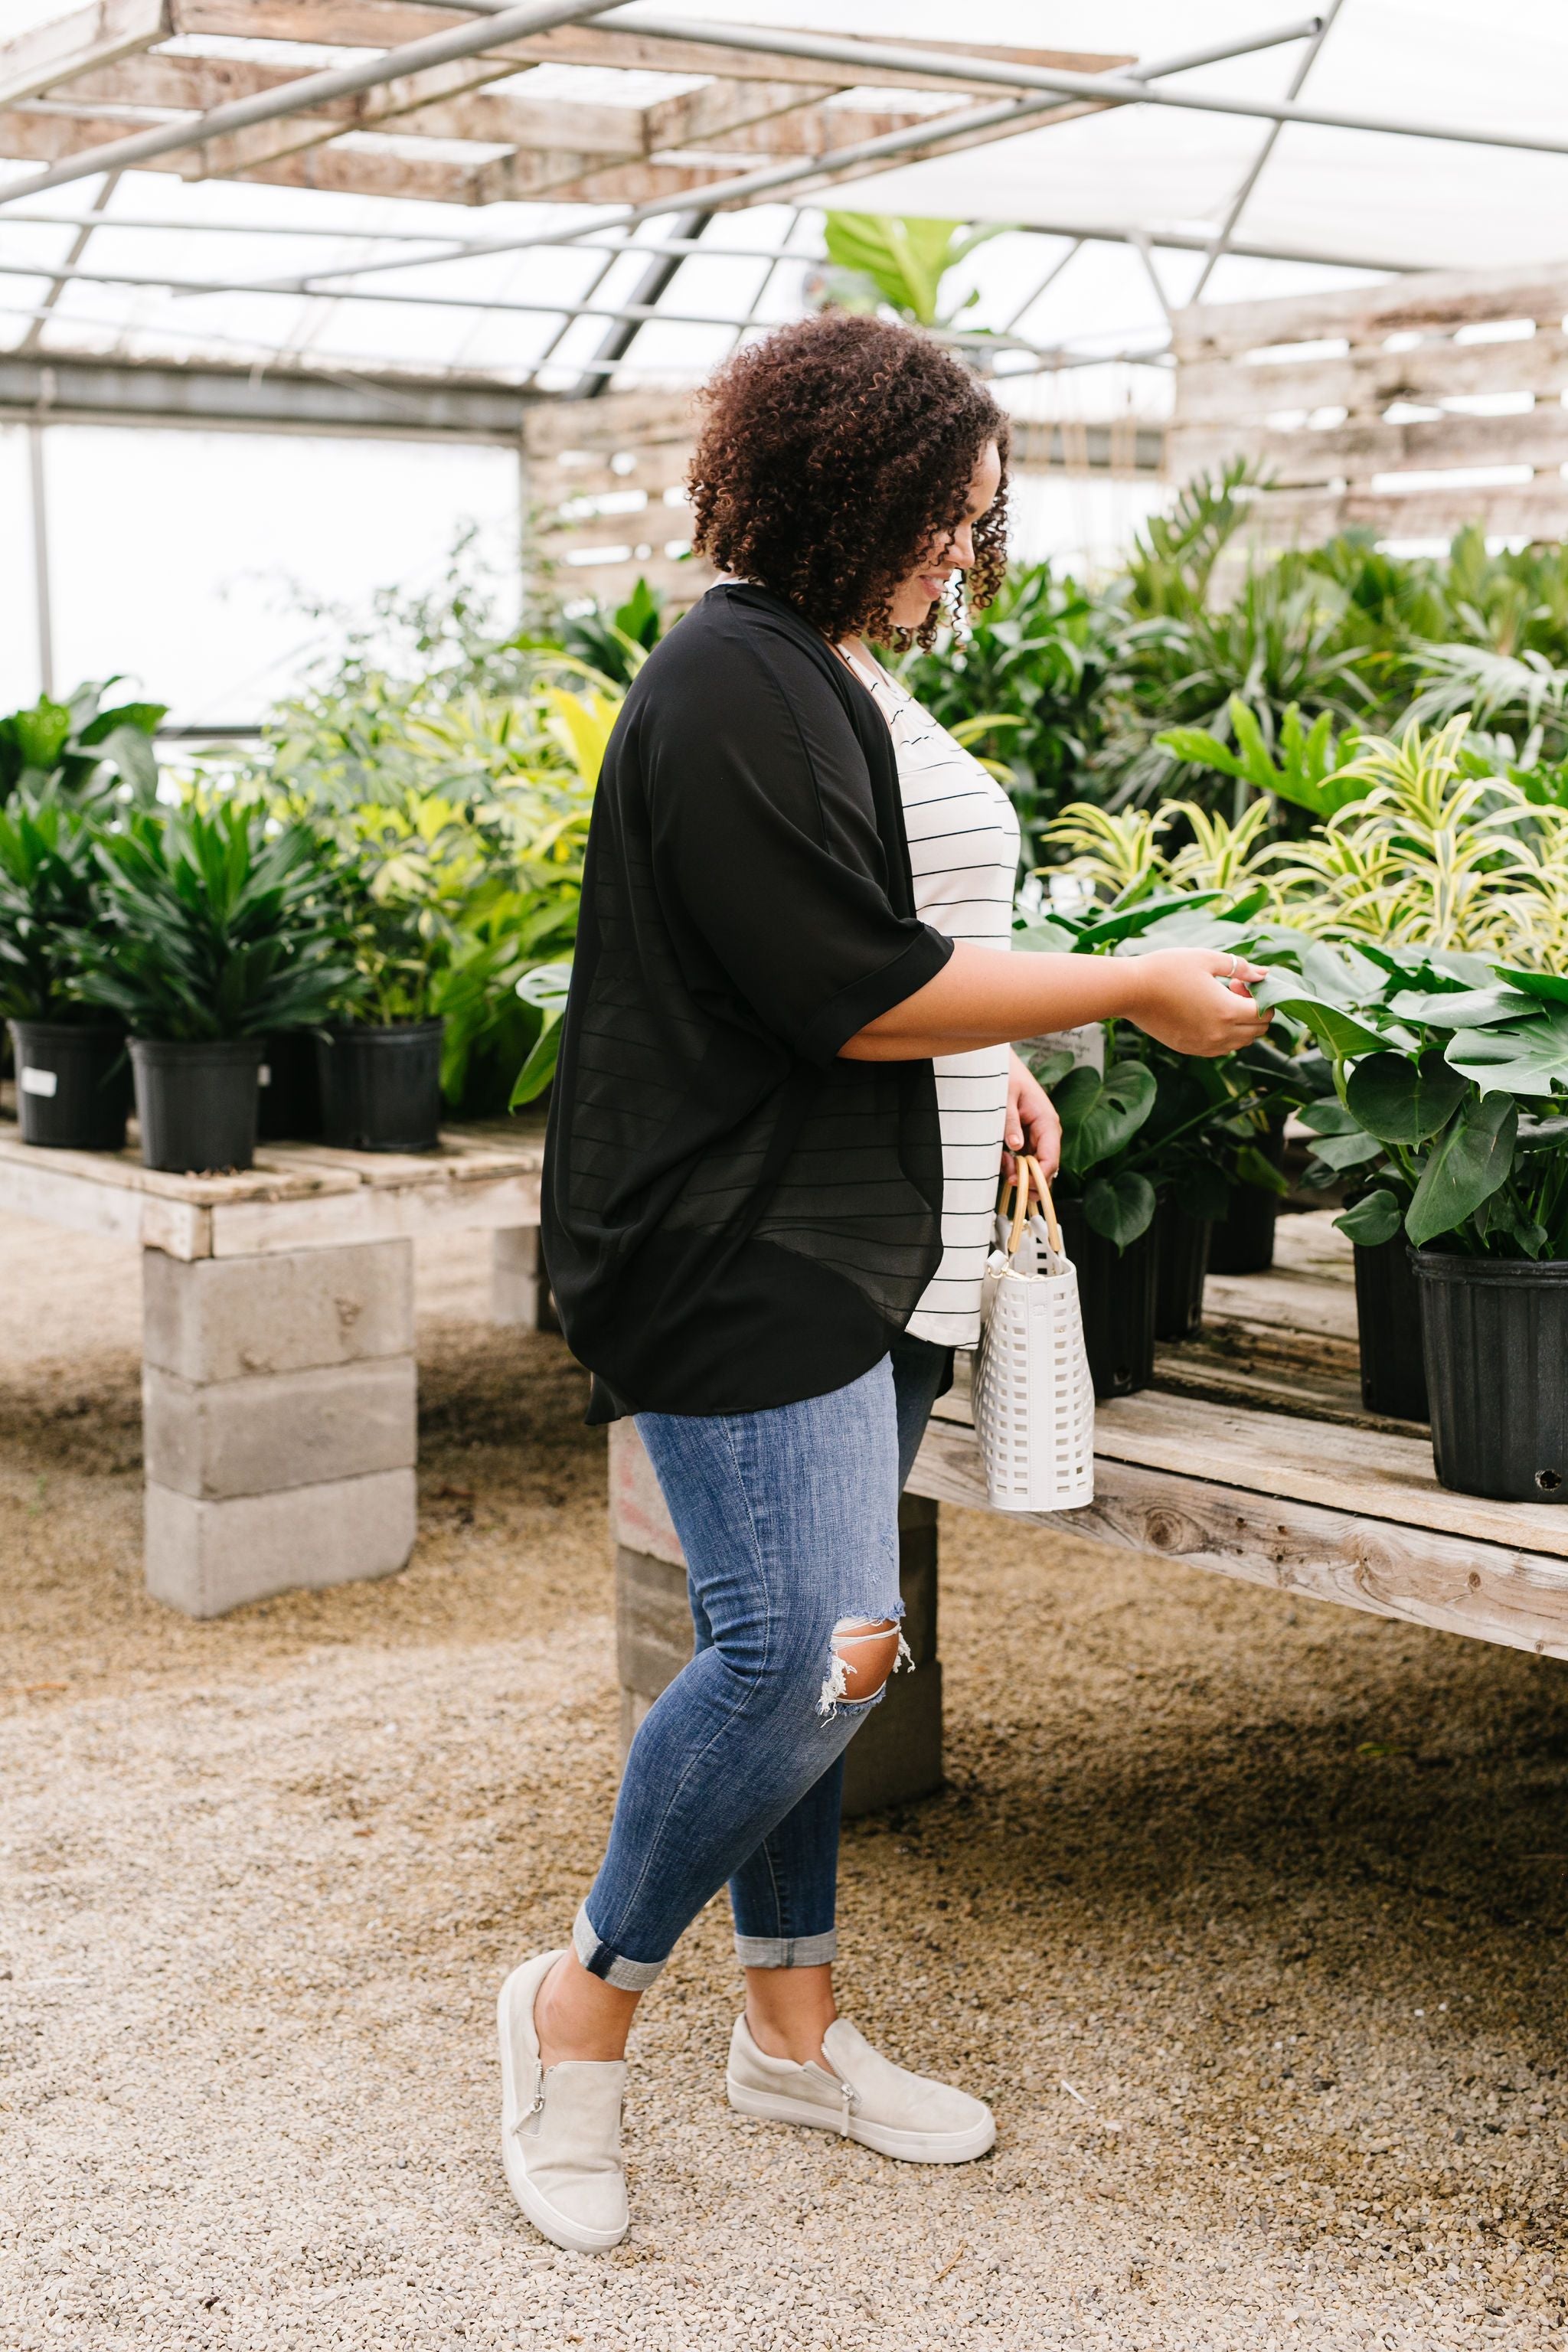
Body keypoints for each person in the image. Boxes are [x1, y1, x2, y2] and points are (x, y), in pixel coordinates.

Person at [505, 313, 1269, 2252]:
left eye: (979, 520)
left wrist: (986, 1052)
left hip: (851, 1232)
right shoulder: (731, 679)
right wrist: (1125, 987)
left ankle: (790, 2030)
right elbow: (848, 985)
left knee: (838, 1665)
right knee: (803, 1653)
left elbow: (859, 933)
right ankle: (575, 2010)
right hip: (736, 1240)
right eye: (952, 515)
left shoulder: (811, 666)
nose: (965, 551)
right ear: (857, 485)